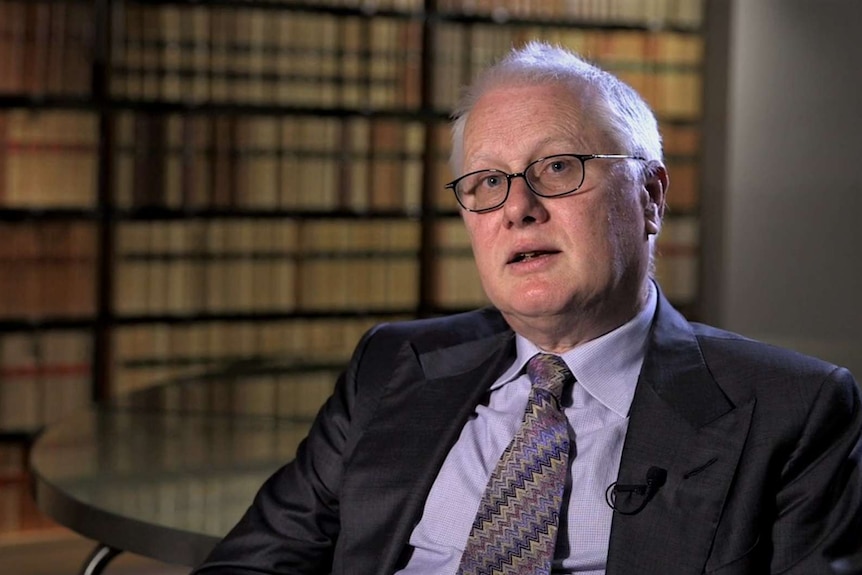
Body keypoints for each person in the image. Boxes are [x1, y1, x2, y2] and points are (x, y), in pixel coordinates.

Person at [192, 42, 862, 574]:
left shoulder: (793, 411)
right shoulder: (393, 363)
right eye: (487, 181)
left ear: (651, 197)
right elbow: (254, 560)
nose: (518, 207)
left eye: (560, 167)